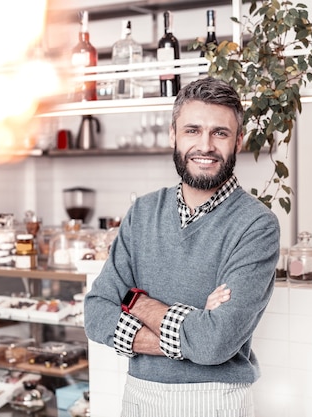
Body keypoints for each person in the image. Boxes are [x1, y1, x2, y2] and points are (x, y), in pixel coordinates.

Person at [84, 77, 280, 417]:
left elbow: (214, 343)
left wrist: (136, 302)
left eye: (220, 133)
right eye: (192, 130)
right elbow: (97, 314)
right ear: (173, 135)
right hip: (139, 396)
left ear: (238, 141)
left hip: (215, 400)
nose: (205, 146)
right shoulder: (143, 211)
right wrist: (192, 324)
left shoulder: (256, 224)